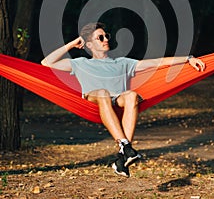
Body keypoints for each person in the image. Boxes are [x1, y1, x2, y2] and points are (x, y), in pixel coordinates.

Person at [41, 22, 205, 177]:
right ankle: (125, 146)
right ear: (89, 45)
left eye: (106, 36)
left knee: (132, 95)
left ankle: (123, 155)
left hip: (116, 101)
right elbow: (45, 63)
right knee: (103, 93)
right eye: (100, 38)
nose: (106, 40)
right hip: (93, 99)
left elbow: (156, 62)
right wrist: (72, 44)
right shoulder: (80, 63)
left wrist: (188, 58)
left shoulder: (123, 63)